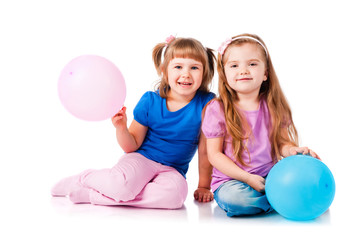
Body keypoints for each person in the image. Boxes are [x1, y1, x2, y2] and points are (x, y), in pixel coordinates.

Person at [52, 35, 216, 209]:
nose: (186, 74)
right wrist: (121, 128)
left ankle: (92, 195)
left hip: (173, 170)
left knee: (174, 197)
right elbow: (131, 146)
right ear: (164, 70)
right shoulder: (150, 101)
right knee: (120, 186)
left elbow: (206, 150)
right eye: (178, 66)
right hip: (141, 159)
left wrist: (204, 186)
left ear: (204, 72)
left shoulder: (207, 105)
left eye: (194, 68)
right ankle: (84, 178)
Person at [201, 33, 320, 217]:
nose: (243, 70)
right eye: (234, 65)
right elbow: (215, 155)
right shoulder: (217, 108)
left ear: (265, 73)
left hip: (270, 178)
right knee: (237, 199)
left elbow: (282, 143)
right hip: (231, 181)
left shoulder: (273, 105)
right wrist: (247, 178)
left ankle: (280, 196)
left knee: (308, 171)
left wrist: (292, 151)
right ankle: (283, 200)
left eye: (252, 64)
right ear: (224, 75)